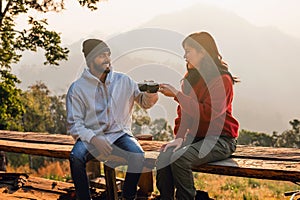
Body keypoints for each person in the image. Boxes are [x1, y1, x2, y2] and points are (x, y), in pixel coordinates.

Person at [66, 39, 158, 200]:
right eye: (101, 55)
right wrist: (95, 139)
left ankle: (128, 197)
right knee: (76, 157)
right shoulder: (77, 88)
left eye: (108, 54)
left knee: (138, 155)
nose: (107, 59)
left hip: (120, 134)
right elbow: (74, 124)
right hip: (90, 136)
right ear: (90, 59)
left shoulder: (124, 81)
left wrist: (151, 93)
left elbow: (144, 102)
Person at [156, 32, 239, 199]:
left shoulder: (222, 80)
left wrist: (177, 95)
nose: (184, 56)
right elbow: (185, 113)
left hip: (220, 139)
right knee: (165, 156)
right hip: (196, 138)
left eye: (188, 51)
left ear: (203, 52)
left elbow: (208, 114)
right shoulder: (191, 78)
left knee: (180, 159)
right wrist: (179, 138)